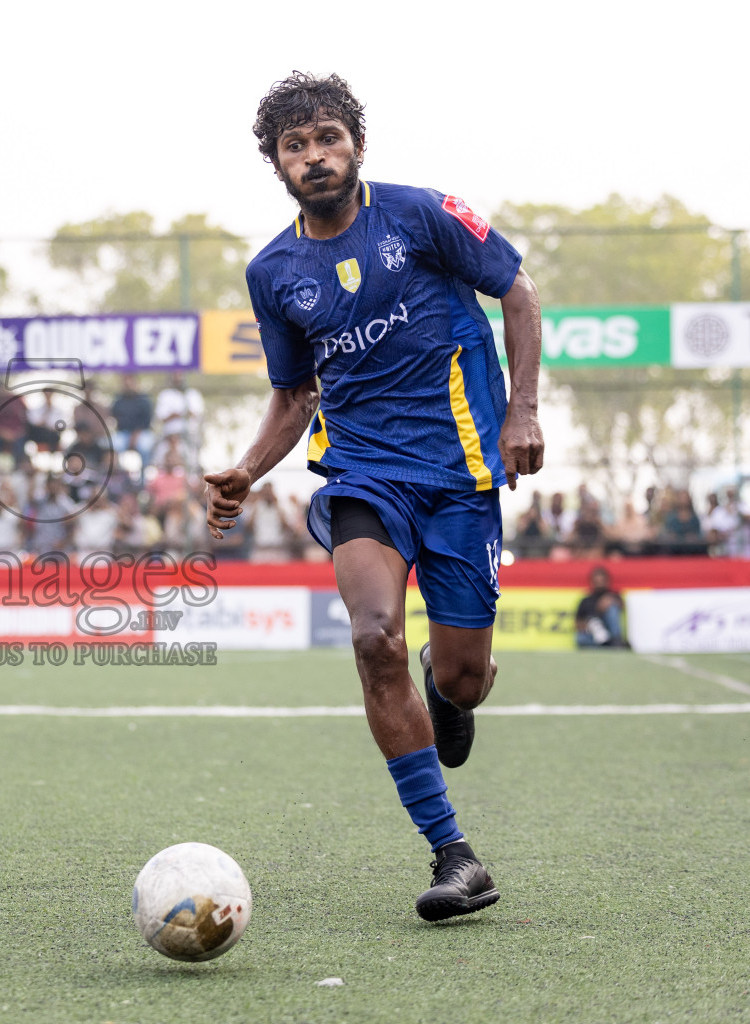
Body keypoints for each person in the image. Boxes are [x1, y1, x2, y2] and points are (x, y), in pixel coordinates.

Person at [205, 73, 543, 921]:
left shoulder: (425, 213)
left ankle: (448, 682)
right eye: (295, 145)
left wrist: (523, 412)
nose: (314, 156)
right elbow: (294, 394)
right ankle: (454, 855)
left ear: (356, 142)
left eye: (327, 137)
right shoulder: (273, 271)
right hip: (362, 476)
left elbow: (519, 291)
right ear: (275, 164)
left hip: (464, 475)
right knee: (372, 636)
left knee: (466, 679)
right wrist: (248, 469)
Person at [574, 567, 627, 648]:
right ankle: (606, 645)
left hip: (609, 629)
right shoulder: (586, 600)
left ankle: (616, 640)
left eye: (602, 580)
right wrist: (590, 625)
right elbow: (578, 622)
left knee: (612, 609)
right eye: (597, 580)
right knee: (581, 639)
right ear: (592, 581)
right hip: (593, 632)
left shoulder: (614, 595)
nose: (599, 582)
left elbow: (622, 608)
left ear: (607, 581)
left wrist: (611, 601)